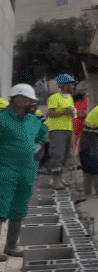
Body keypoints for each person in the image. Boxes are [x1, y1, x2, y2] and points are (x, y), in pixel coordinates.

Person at [0, 84, 48, 260]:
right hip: (5, 169)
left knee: (19, 206)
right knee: (1, 205)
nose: (32, 104)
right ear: (18, 100)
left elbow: (42, 135)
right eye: (29, 100)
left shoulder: (33, 120)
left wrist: (38, 146)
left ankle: (11, 246)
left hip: (26, 170)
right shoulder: (2, 120)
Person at [44, 73, 77, 190]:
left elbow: (70, 114)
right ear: (64, 85)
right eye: (71, 85)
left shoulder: (69, 98)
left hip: (67, 128)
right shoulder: (55, 97)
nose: (73, 87)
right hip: (57, 129)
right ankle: (55, 181)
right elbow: (50, 113)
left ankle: (60, 178)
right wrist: (64, 111)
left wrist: (72, 113)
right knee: (57, 154)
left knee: (64, 155)